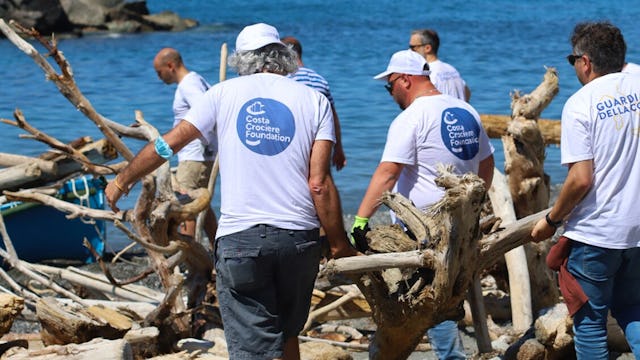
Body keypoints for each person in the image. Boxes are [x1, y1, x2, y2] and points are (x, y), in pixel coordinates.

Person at [106, 23, 356, 359]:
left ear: (242, 60)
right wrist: (340, 244)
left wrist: (123, 180)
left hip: (243, 241)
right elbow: (320, 184)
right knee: (285, 335)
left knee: (255, 348)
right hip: (299, 240)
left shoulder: (222, 94)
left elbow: (170, 144)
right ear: (282, 56)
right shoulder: (314, 101)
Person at [352, 49, 494, 359]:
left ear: (404, 79)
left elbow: (387, 174)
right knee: (447, 297)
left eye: (389, 86)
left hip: (424, 233)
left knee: (430, 300)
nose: (389, 93)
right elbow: (487, 164)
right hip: (461, 228)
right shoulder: (465, 109)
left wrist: (360, 222)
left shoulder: (412, 117)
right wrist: (475, 207)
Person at [531, 21, 640, 360]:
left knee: (590, 323)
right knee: (634, 309)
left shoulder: (581, 104)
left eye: (572, 60)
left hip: (596, 233)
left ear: (585, 61)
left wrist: (551, 219)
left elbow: (580, 179)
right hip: (638, 231)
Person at [152, 47, 217, 245]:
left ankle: (191, 256)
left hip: (195, 156)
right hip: (199, 155)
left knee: (185, 208)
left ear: (170, 66)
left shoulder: (189, 85)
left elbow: (206, 114)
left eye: (159, 72)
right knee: (202, 206)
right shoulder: (197, 80)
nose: (159, 77)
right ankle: (219, 252)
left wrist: (206, 144)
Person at [280, 36, 347, 170]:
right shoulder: (320, 79)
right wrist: (338, 148)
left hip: (294, 141)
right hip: (321, 139)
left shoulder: (285, 80)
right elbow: (333, 116)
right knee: (323, 181)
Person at [409, 29, 471, 102]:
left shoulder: (426, 72)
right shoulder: (451, 69)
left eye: (413, 47)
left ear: (427, 48)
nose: (409, 51)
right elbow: (467, 93)